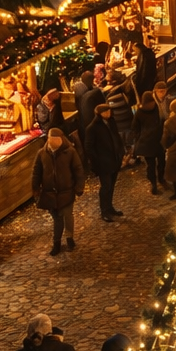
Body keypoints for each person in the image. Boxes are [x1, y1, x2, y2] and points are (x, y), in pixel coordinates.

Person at [32, 127, 85, 256]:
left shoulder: (70, 152)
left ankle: (68, 238)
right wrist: (35, 189)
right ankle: (57, 242)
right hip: (50, 193)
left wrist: (79, 187)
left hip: (66, 191)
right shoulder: (42, 154)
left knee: (67, 215)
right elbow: (36, 172)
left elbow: (78, 170)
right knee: (57, 218)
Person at [82, 104, 124, 222]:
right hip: (103, 163)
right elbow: (88, 147)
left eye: (109, 111)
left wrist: (121, 151)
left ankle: (110, 207)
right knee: (106, 186)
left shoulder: (111, 122)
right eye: (106, 111)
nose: (108, 113)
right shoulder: (92, 128)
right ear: (100, 113)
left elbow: (116, 137)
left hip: (114, 159)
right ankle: (104, 210)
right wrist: (97, 160)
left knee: (111, 186)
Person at [132, 91, 166, 195]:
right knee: (157, 164)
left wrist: (140, 137)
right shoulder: (154, 109)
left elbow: (135, 127)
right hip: (155, 142)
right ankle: (158, 181)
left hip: (151, 143)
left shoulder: (140, 111)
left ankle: (157, 182)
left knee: (155, 164)